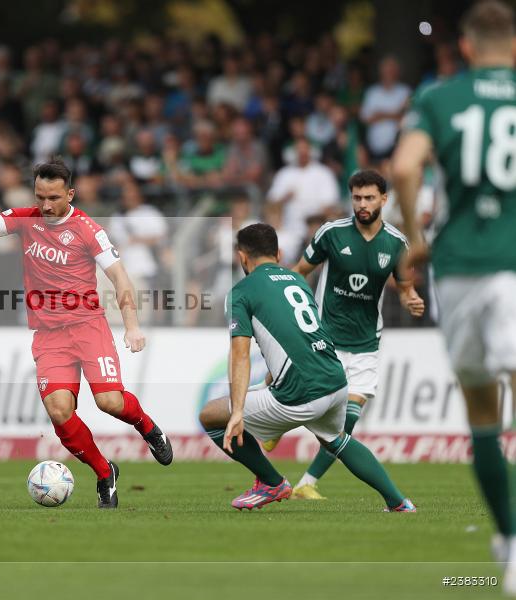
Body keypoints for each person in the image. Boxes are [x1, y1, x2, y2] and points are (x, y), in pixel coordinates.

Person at [0, 159, 173, 509]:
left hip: (88, 327)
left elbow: (121, 278)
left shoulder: (88, 229)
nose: (45, 205)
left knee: (110, 403)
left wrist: (132, 326)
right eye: (41, 196)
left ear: (70, 194)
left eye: (54, 197)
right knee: (60, 411)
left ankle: (149, 428)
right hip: (49, 335)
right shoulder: (26, 218)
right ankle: (105, 474)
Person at [391, 0, 516, 589]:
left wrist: (417, 238)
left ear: (465, 47)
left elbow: (406, 166)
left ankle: (510, 543)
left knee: (483, 413)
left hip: (460, 267)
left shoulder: (439, 98)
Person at [198, 223, 414, 512]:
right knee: (336, 440)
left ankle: (271, 482)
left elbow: (240, 354)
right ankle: (399, 502)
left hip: (301, 392)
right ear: (279, 253)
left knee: (211, 415)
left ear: (242, 257)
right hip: (336, 380)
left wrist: (237, 411)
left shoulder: (241, 292)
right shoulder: (295, 280)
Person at [279, 170, 425, 499]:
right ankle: (279, 422)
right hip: (324, 339)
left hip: (365, 345)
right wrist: (283, 303)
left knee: (346, 423)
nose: (362, 204)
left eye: (369, 197)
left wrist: (410, 298)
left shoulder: (396, 243)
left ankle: (307, 483)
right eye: (357, 197)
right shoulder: (332, 233)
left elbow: (404, 288)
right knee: (309, 408)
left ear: (384, 200)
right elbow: (300, 272)